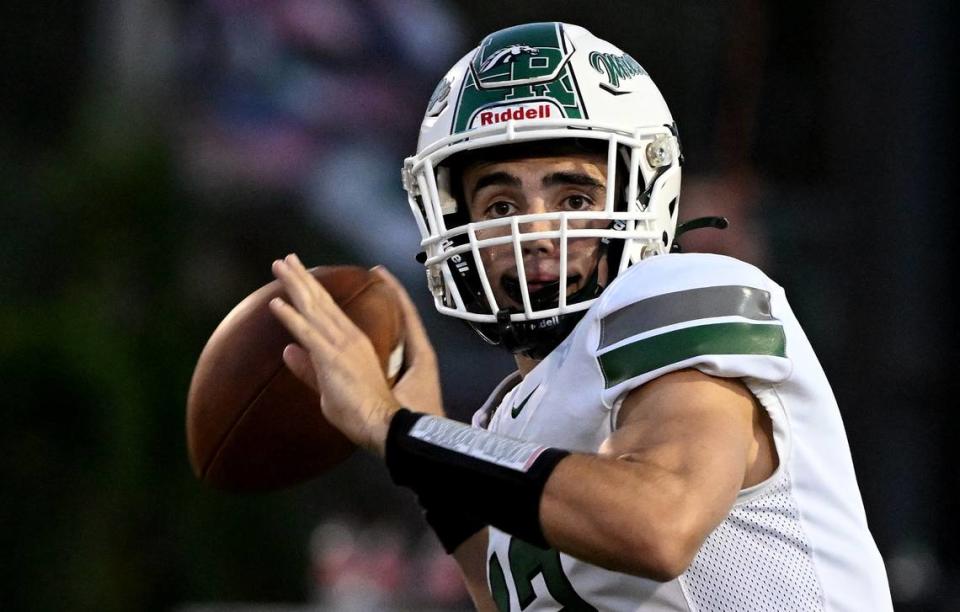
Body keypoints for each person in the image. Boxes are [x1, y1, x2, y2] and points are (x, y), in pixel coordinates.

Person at [268, 22, 892, 611]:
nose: (537, 231)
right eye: (501, 202)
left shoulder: (684, 289)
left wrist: (398, 428)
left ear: (643, 196)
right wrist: (433, 451)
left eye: (573, 196)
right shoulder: (506, 419)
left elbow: (658, 523)